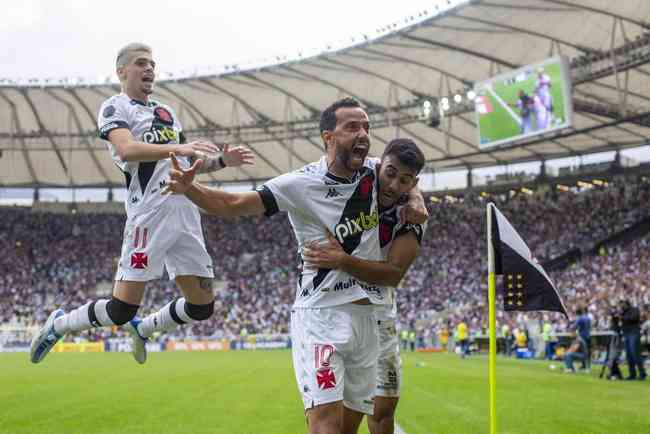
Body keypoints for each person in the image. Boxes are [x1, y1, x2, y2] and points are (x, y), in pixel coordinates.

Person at [163, 97, 428, 434]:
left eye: (366, 127)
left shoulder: (376, 172)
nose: (362, 133)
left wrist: (418, 200)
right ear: (328, 137)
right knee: (325, 426)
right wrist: (192, 190)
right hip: (322, 316)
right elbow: (233, 204)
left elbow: (408, 177)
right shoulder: (300, 184)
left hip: (369, 322)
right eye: (352, 127)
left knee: (347, 428)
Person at [29, 42, 254, 365]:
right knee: (121, 309)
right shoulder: (114, 107)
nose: (149, 69)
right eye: (140, 63)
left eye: (151, 63)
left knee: (202, 307)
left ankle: (144, 329)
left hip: (185, 212)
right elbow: (127, 151)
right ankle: (60, 324)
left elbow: (186, 162)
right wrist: (178, 148)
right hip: (149, 215)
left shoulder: (166, 112)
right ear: (122, 71)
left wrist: (220, 161)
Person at [301, 137, 426, 434]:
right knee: (338, 417)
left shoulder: (414, 215)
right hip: (340, 315)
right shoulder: (359, 178)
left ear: (414, 182)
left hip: (382, 318)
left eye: (405, 181)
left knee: (383, 413)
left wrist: (342, 260)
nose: (394, 185)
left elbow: (394, 273)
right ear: (381, 165)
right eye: (391, 173)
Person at [620, 299, 647, 380]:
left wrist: (622, 317)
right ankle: (632, 374)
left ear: (627, 303)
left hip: (634, 333)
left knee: (635, 353)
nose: (621, 306)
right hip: (626, 334)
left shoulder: (634, 310)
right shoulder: (623, 312)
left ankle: (642, 373)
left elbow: (633, 318)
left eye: (622, 304)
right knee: (629, 355)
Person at [575, 306, 592, 372]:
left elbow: (574, 326)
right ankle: (588, 365)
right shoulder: (588, 318)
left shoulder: (580, 318)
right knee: (588, 351)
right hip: (588, 336)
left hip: (582, 337)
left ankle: (584, 366)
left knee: (583, 352)